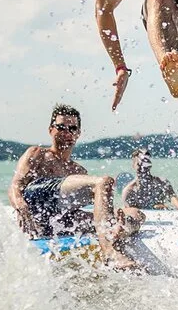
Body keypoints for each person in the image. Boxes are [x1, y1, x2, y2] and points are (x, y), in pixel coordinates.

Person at [8, 104, 146, 269]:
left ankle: (119, 230)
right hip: (37, 205)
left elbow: (99, 207)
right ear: (51, 130)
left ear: (78, 133)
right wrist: (20, 206)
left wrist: (115, 218)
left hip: (60, 220)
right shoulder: (38, 154)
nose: (67, 132)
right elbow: (15, 185)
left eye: (72, 128)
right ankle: (110, 252)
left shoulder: (78, 171)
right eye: (61, 127)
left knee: (136, 214)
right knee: (104, 182)